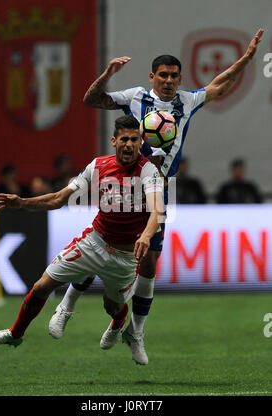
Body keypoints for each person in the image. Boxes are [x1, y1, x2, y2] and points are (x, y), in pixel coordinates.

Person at [48, 29, 264, 365]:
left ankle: (136, 332)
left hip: (161, 189)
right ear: (152, 77)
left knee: (148, 263)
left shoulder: (187, 102)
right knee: (101, 244)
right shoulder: (135, 97)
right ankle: (66, 306)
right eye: (162, 75)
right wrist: (106, 74)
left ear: (180, 79)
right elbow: (92, 100)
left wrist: (248, 59)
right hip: (124, 183)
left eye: (173, 76)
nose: (167, 80)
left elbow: (221, 83)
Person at [0, 115, 164, 351]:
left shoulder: (148, 171)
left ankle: (118, 323)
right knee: (41, 286)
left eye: (134, 140)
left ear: (140, 143)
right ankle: (15, 333)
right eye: (124, 139)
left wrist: (147, 236)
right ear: (114, 141)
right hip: (95, 242)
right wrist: (22, 202)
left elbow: (157, 210)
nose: (129, 145)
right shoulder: (97, 166)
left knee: (113, 306)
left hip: (125, 256)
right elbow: (58, 199)